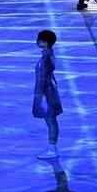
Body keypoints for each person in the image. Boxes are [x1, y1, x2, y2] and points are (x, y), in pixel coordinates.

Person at [33, 29, 63, 159]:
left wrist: (39, 96)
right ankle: (52, 147)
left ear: (44, 42)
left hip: (46, 92)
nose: (36, 41)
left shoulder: (46, 58)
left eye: (39, 39)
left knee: (50, 120)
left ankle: (52, 148)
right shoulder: (47, 54)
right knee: (50, 120)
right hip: (49, 90)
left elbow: (43, 78)